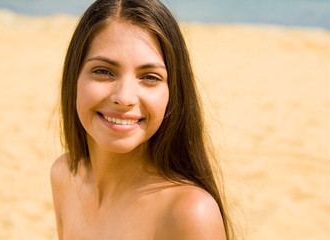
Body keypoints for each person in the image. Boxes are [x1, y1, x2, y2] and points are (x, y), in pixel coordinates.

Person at [51, 0, 234, 239]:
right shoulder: (65, 176)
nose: (124, 97)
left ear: (173, 92)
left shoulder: (190, 212)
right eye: (103, 71)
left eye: (150, 77)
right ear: (74, 77)